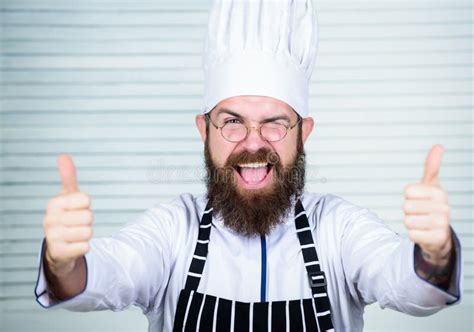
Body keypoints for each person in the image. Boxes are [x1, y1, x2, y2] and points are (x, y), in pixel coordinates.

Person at [34, 0, 462, 331]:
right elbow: (102, 276)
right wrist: (63, 261)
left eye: (275, 123)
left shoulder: (338, 229)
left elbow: (408, 287)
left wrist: (435, 254)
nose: (253, 143)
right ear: (204, 130)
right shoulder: (171, 231)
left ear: (303, 132)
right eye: (232, 122)